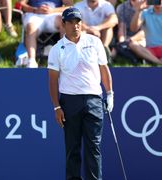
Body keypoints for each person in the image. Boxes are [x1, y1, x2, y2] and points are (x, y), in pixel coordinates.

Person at [48, 7, 114, 180]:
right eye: (70, 22)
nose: (75, 26)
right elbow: (53, 81)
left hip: (94, 100)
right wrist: (56, 107)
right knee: (72, 148)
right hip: (69, 102)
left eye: (78, 22)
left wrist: (110, 93)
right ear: (63, 24)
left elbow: (103, 69)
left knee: (94, 147)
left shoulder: (94, 42)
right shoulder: (57, 49)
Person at [18, 0, 72, 68]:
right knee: (30, 28)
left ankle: (64, 58)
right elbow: (21, 4)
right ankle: (31, 61)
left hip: (54, 13)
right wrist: (35, 10)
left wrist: (52, 10)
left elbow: (70, 7)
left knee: (66, 23)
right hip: (34, 13)